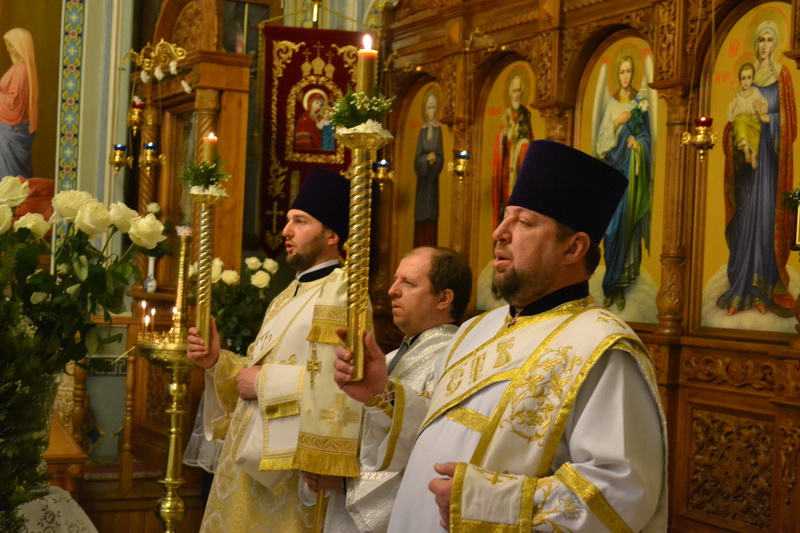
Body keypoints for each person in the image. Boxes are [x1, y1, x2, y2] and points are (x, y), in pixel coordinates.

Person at [335, 140, 668, 532]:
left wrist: (483, 502)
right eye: (504, 218)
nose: (499, 233)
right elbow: (441, 430)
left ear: (573, 248)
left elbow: (623, 492)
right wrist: (383, 395)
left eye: (524, 222)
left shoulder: (602, 348)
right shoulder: (477, 329)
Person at [186, 167, 351, 532]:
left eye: (300, 221)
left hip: (288, 475)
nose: (286, 231)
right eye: (289, 220)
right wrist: (217, 361)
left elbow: (339, 386)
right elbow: (252, 371)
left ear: (332, 235)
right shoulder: (286, 295)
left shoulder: (341, 294)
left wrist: (263, 383)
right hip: (248, 461)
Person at [302, 246, 472, 532]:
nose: (392, 290)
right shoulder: (390, 358)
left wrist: (347, 481)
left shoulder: (456, 361)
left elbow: (431, 450)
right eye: (395, 280)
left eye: (409, 283)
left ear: (444, 298)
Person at [718, 20, 797, 316]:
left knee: (765, 221)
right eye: (761, 40)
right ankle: (741, 289)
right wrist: (737, 133)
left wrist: (768, 120)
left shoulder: (783, 75)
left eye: (769, 39)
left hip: (769, 167)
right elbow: (732, 119)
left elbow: (790, 124)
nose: (764, 45)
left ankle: (763, 289)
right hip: (746, 168)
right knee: (743, 220)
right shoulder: (746, 75)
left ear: (775, 44)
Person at [594, 55, 652, 311]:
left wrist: (637, 144)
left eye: (629, 71)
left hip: (632, 174)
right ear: (617, 76)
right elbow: (601, 145)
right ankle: (610, 282)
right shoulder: (612, 104)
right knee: (610, 231)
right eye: (622, 72)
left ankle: (620, 286)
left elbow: (647, 138)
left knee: (627, 226)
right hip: (612, 174)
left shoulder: (641, 103)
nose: (626, 76)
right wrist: (616, 124)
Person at [492, 73, 532, 226]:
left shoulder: (526, 116)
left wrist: (523, 145)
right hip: (506, 170)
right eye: (514, 91)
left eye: (519, 90)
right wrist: (504, 138)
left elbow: (531, 143)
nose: (517, 94)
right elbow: (498, 145)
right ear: (510, 93)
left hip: (519, 170)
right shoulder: (505, 117)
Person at [0, 27, 38, 179]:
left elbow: (14, 104)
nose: (8, 50)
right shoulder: (17, 68)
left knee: (10, 176)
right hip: (7, 128)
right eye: (7, 45)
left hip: (11, 130)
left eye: (11, 45)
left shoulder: (21, 70)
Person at [413, 93, 444, 247]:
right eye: (429, 108)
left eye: (433, 107)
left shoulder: (438, 130)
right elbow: (417, 158)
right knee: (421, 213)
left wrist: (435, 159)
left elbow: (441, 155)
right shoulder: (422, 131)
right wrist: (426, 159)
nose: (431, 111)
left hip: (433, 179)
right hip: (423, 180)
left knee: (431, 213)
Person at [727, 63, 767, 170]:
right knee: (741, 128)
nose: (746, 81)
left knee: (756, 136)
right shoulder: (737, 95)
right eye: (743, 78)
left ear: (752, 79)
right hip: (741, 120)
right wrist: (733, 105)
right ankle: (746, 153)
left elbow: (763, 101)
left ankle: (753, 156)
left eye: (749, 78)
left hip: (753, 121)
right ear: (740, 80)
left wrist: (762, 107)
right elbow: (731, 115)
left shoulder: (755, 92)